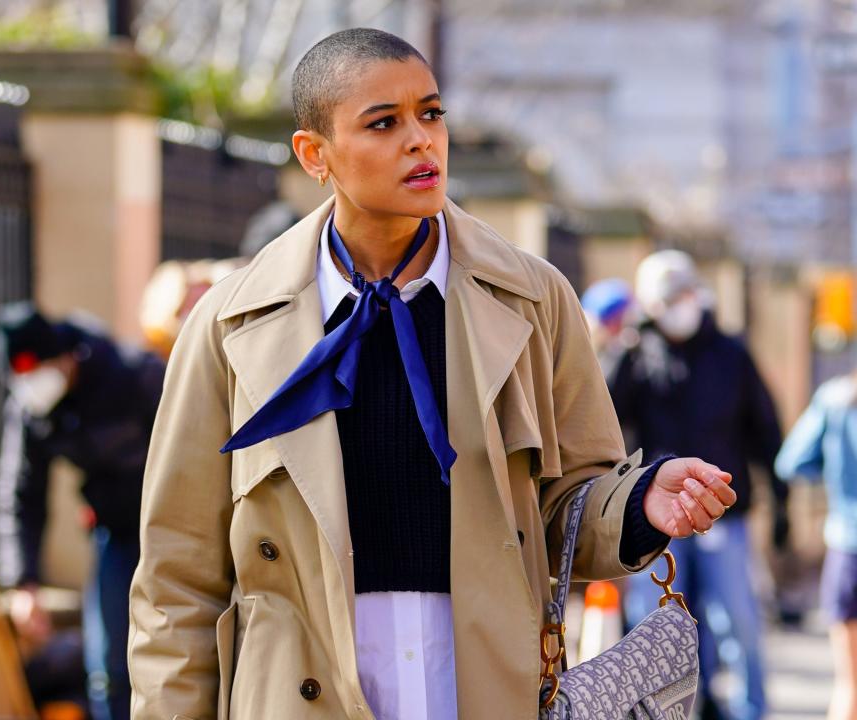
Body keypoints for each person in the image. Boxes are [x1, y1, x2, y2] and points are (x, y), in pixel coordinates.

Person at [128, 29, 736, 720]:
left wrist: (638, 501)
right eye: (383, 123)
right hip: (300, 691)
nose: (420, 140)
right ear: (314, 155)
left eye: (431, 113)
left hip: (483, 680)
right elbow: (176, 578)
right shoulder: (232, 322)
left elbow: (571, 500)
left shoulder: (533, 299)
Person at [609, 250, 787, 720]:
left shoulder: (731, 354)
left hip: (724, 515)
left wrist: (781, 498)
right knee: (655, 623)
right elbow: (604, 420)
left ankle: (751, 710)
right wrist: (625, 349)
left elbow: (765, 427)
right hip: (658, 519)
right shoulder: (638, 354)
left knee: (738, 620)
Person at [0, 302, 165, 720]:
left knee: (177, 653)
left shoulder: (132, 374)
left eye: (40, 372)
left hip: (175, 528)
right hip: (116, 534)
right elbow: (21, 494)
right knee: (107, 666)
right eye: (23, 379)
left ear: (66, 357)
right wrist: (24, 582)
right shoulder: (30, 411)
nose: (34, 385)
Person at [776, 371, 857, 720]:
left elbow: (791, 462)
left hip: (847, 547)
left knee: (850, 683)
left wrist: (832, 468)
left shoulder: (835, 400)